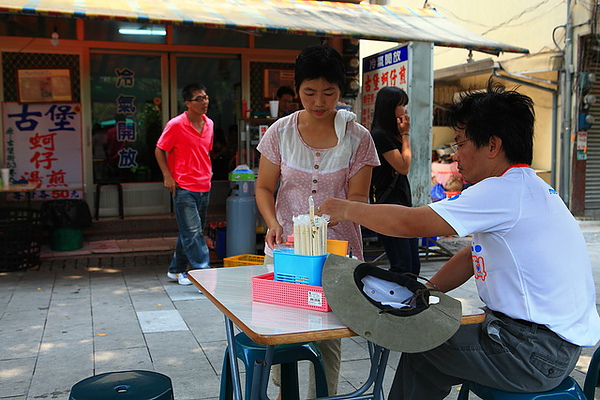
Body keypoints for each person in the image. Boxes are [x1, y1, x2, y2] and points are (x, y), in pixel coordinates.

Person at [319, 81, 600, 399]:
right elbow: (471, 256)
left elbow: (413, 223)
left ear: (493, 146)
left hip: (531, 354)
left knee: (420, 342)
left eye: (461, 144)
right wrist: (428, 289)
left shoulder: (503, 190)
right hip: (550, 349)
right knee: (429, 351)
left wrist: (347, 209)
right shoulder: (528, 187)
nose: (455, 156)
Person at [255, 43, 380, 397]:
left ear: (342, 91)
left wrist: (336, 211)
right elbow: (264, 188)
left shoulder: (359, 138)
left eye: (329, 92)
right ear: (297, 90)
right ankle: (285, 389)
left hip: (336, 251)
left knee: (328, 331)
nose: (320, 101)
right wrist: (273, 222)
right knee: (282, 324)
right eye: (309, 92)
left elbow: (358, 198)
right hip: (287, 248)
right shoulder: (279, 132)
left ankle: (322, 393)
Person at [155, 83, 213, 286]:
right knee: (194, 232)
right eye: (199, 99)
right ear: (187, 103)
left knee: (190, 231)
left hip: (204, 185)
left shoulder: (209, 124)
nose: (204, 102)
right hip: (183, 187)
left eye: (205, 97)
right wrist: (167, 176)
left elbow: (204, 152)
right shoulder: (176, 124)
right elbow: (159, 149)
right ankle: (202, 275)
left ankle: (176, 269)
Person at [370, 86, 420, 275]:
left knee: (412, 266)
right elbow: (403, 166)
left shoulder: (390, 134)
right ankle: (397, 302)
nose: (404, 110)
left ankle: (411, 301)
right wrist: (406, 134)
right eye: (401, 105)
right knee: (402, 266)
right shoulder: (380, 135)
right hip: (389, 207)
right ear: (390, 107)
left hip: (401, 205)